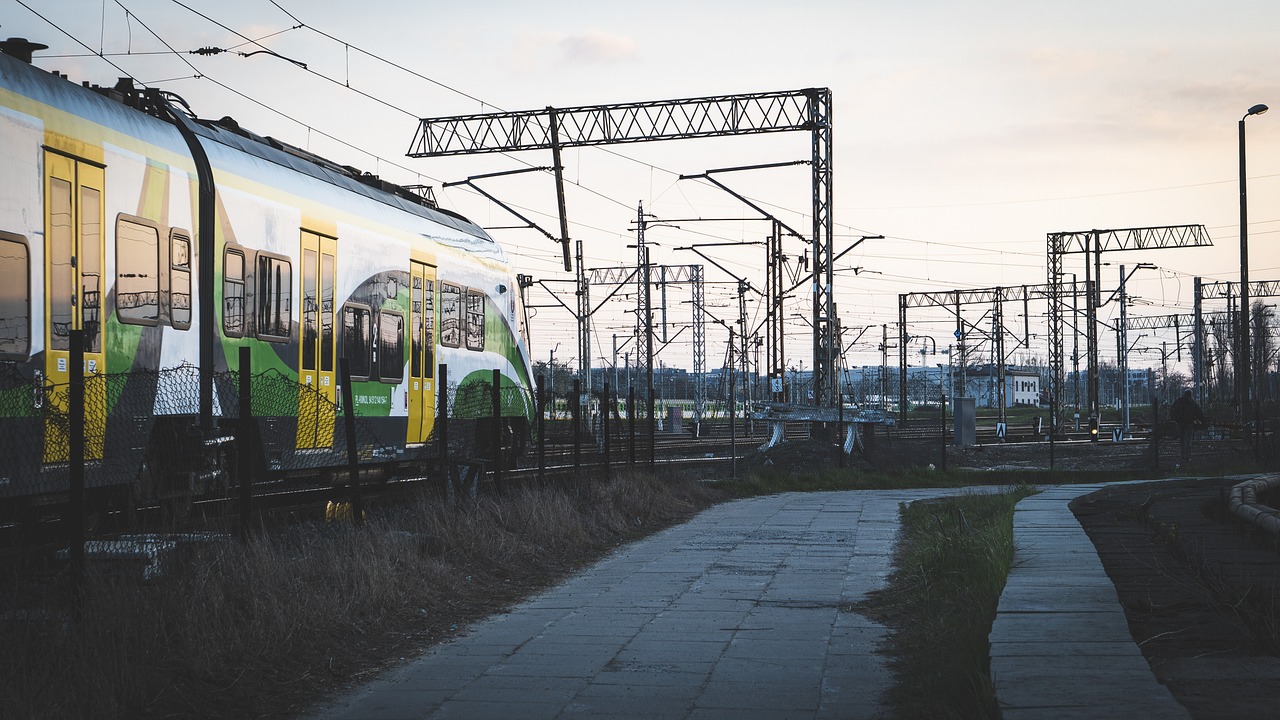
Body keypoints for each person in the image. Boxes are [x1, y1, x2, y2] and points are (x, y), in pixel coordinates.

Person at [1170, 390, 1207, 464]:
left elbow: (1172, 410)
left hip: (1180, 423)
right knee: (1188, 440)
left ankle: (1182, 454)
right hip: (1189, 423)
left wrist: (1175, 419)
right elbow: (1199, 413)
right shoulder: (1192, 403)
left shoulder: (1179, 401)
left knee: (1182, 439)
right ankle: (1187, 456)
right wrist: (1204, 422)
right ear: (1191, 395)